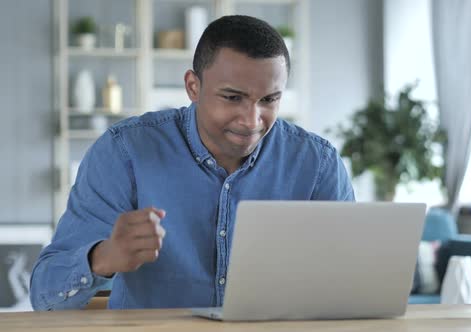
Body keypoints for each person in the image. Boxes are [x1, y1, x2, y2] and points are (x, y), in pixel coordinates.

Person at [30, 15, 354, 311]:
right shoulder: (124, 152)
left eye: (269, 99)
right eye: (232, 97)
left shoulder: (318, 164)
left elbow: (351, 283)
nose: (252, 120)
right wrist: (104, 257)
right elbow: (45, 294)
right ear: (193, 87)